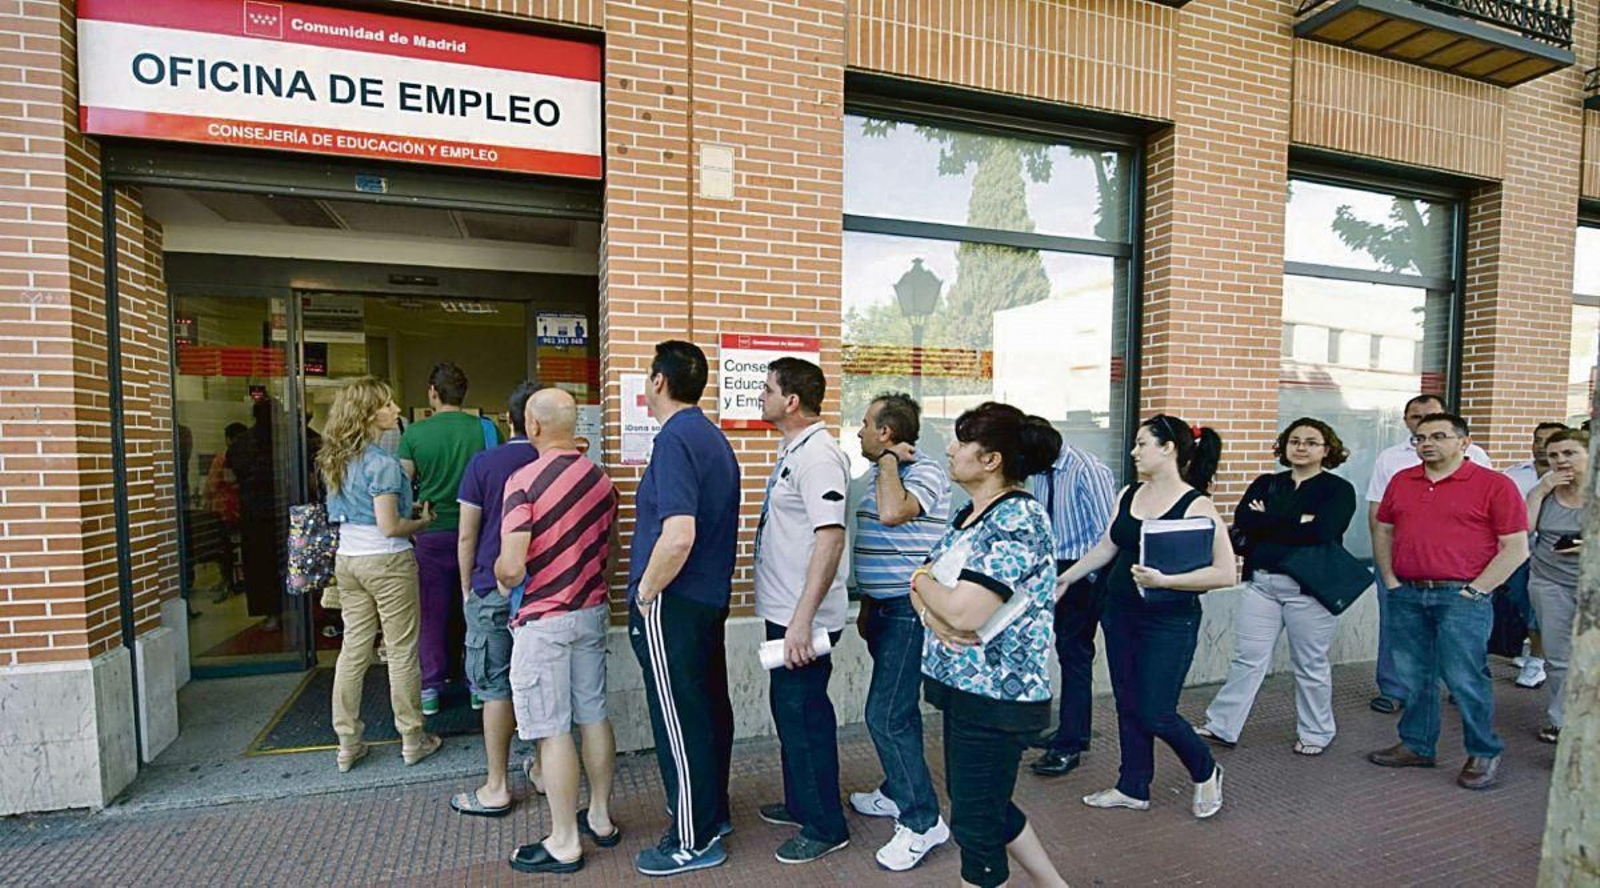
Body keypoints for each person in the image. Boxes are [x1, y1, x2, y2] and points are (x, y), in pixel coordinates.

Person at [910, 401, 1067, 888]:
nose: (951, 450)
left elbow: (963, 611)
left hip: (997, 695)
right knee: (982, 802)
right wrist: (924, 592)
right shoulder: (970, 514)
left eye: (961, 441)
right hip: (965, 688)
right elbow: (926, 586)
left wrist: (924, 588)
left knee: (974, 825)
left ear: (991, 458)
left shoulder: (1017, 518)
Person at [1061, 415, 1233, 817]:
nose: (1135, 452)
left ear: (1168, 448)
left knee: (1156, 709)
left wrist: (1166, 579)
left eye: (1142, 444)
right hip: (1119, 612)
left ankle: (1206, 770)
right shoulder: (1129, 493)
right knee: (1126, 701)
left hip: (1169, 620)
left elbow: (1225, 572)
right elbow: (1106, 547)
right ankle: (1132, 785)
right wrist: (1065, 579)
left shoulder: (1197, 504)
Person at [1367, 412, 1527, 791]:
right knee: (1413, 676)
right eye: (1420, 437)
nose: (1427, 443)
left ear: (1464, 442)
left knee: (1465, 676)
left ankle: (1483, 751)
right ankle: (1417, 745)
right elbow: (1383, 530)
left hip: (1462, 597)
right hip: (1407, 592)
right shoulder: (1402, 481)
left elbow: (1515, 547)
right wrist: (1390, 580)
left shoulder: (1494, 485)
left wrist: (1477, 590)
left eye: (1439, 436)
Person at [628, 341, 741, 877]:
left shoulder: (675, 440)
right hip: (704, 599)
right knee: (705, 711)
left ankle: (691, 840)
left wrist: (647, 592)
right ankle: (710, 815)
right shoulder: (709, 437)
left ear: (658, 382)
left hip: (674, 601)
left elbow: (677, 535)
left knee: (678, 719)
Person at [496, 388, 620, 875]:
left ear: (533, 425)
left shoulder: (522, 481)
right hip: (590, 611)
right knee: (593, 715)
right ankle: (602, 817)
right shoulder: (600, 480)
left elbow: (511, 564)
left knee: (552, 732)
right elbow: (609, 548)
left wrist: (504, 574)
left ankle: (565, 840)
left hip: (544, 621)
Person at [1198, 418, 1356, 755]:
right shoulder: (1267, 483)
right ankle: (1222, 726)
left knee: (1310, 664)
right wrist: (1297, 521)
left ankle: (1316, 732)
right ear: (1284, 447)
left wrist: (1269, 521)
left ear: (1326, 450)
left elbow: (1322, 532)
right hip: (1262, 585)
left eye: (1311, 442)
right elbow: (1245, 521)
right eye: (1294, 441)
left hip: (1309, 590)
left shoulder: (1338, 490)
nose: (1301, 447)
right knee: (1247, 659)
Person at [751, 358, 852, 865]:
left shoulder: (820, 457)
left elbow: (829, 539)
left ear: (792, 401)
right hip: (785, 611)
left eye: (767, 390)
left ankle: (825, 824)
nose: (760, 396)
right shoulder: (794, 449)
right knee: (788, 712)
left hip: (802, 617)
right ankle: (800, 802)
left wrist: (802, 619)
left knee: (806, 715)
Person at [846, 392, 952, 870]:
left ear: (887, 434)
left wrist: (889, 461)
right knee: (898, 711)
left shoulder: (923, 471)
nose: (859, 431)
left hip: (910, 612)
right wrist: (868, 602)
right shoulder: (876, 475)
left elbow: (893, 513)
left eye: (867, 424)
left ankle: (922, 820)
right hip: (882, 610)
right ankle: (896, 789)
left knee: (886, 715)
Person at [318, 377, 440, 772]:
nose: (395, 410)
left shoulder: (335, 460)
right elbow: (389, 526)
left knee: (353, 649)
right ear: (368, 414)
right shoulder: (381, 465)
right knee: (401, 649)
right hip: (386, 561)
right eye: (386, 405)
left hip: (348, 560)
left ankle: (347, 742)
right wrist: (422, 522)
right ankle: (412, 737)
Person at [1366, 394, 1492, 715]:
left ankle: (1458, 690)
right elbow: (1378, 515)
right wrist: (1386, 568)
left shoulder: (1476, 457)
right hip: (1401, 562)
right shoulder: (1391, 459)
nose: (1422, 424)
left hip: (1457, 568)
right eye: (1415, 418)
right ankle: (1394, 689)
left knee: (1457, 634)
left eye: (1431, 417)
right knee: (1397, 628)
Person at [448, 382, 540, 818]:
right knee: (543, 682)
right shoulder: (560, 462)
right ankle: (542, 768)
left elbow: (467, 531)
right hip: (543, 592)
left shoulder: (484, 463)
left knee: (495, 685)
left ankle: (498, 785)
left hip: (491, 585)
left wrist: (467, 586)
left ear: (510, 420)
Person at [400, 362, 491, 715]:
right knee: (475, 612)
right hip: (479, 533)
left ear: (433, 392)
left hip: (432, 534)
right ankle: (477, 687)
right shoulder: (484, 430)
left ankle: (431, 690)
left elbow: (402, 486)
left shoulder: (414, 434)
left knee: (432, 613)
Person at [1026, 437, 1116, 777]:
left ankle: (1071, 743)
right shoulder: (1043, 470)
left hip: (1084, 569)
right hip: (1054, 567)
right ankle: (1071, 728)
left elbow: (1108, 531)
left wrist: (1088, 577)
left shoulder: (1086, 469)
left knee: (1075, 654)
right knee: (1066, 651)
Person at [1523, 428, 1587, 745]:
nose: (1561, 460)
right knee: (1559, 658)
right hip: (1550, 581)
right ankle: (1563, 724)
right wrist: (1538, 492)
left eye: (1570, 453)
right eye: (1554, 455)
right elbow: (1523, 528)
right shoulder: (1546, 489)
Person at [1502, 421, 1567, 690]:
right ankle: (1529, 648)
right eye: (1537, 439)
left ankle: (1536, 662)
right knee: (1518, 603)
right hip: (1518, 552)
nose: (1541, 446)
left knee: (1539, 611)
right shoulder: (1514, 475)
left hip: (1555, 558)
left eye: (1548, 440)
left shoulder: (1575, 477)